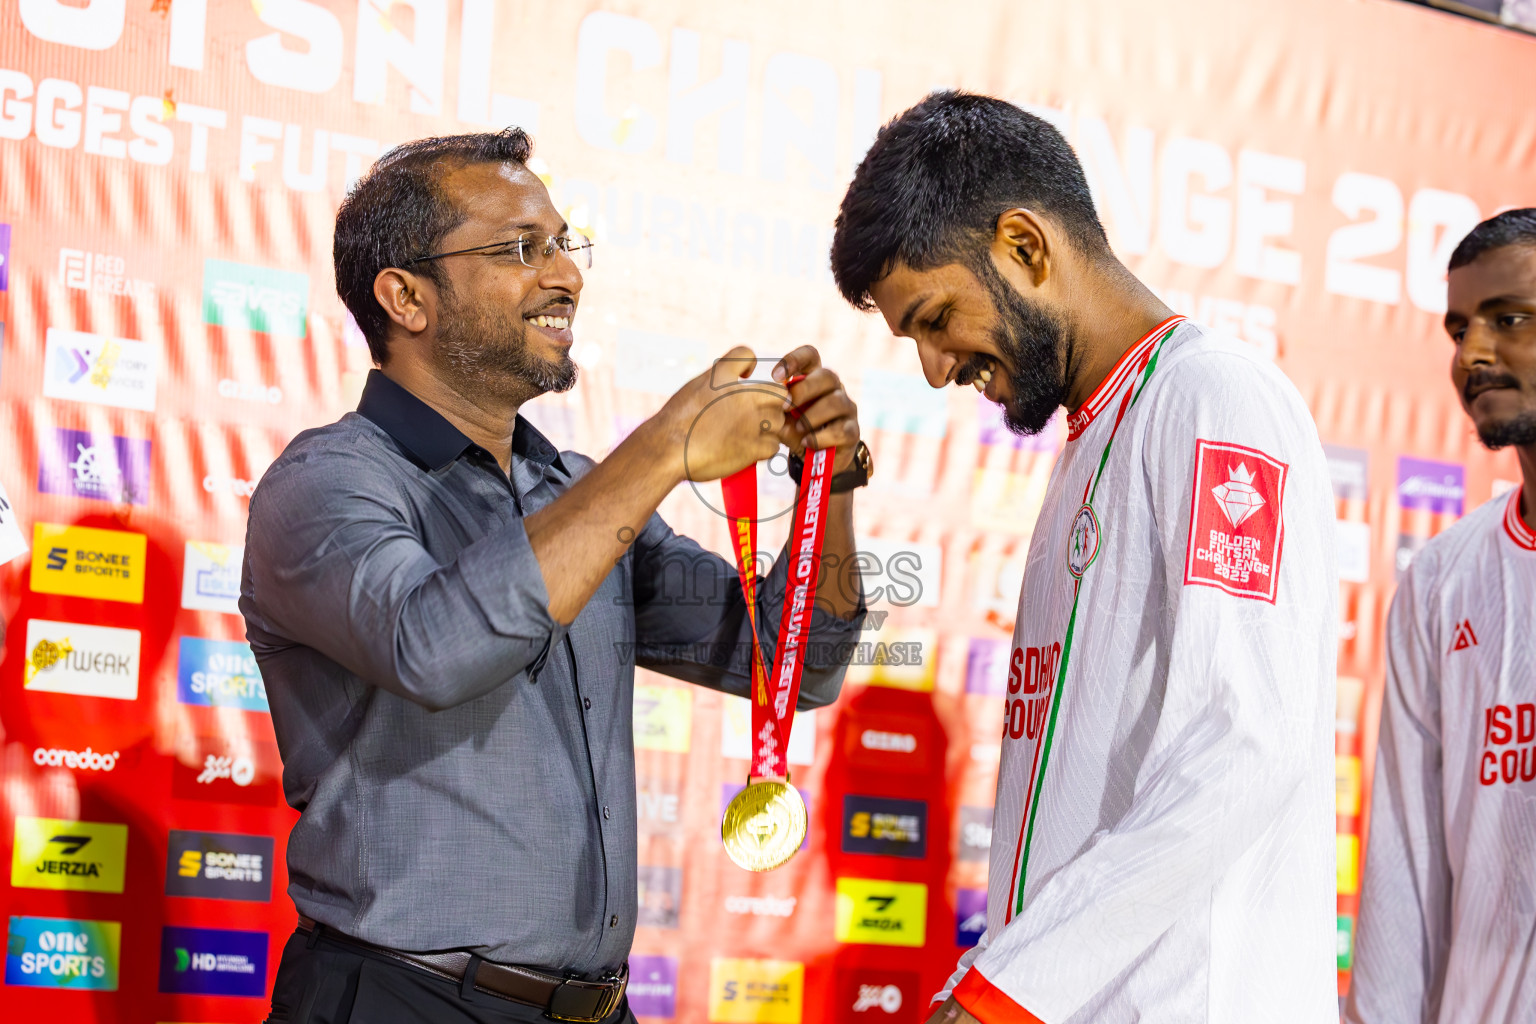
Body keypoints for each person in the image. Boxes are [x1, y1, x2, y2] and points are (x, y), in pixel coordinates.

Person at [242, 129, 869, 1024]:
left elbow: (793, 664)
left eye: (563, 243)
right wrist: (663, 448)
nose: (564, 275)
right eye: (518, 250)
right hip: (400, 999)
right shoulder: (326, 484)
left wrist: (831, 484)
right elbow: (434, 647)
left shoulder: (574, 490)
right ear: (406, 297)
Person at [831, 92, 1338, 1023]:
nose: (936, 369)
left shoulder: (1216, 400)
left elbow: (1246, 741)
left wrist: (1004, 994)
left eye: (937, 317)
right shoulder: (1091, 439)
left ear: (1026, 246)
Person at [1344, 209, 1536, 1024]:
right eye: (1460, 330)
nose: (1474, 356)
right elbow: (1404, 865)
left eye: (1510, 319)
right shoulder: (1443, 580)